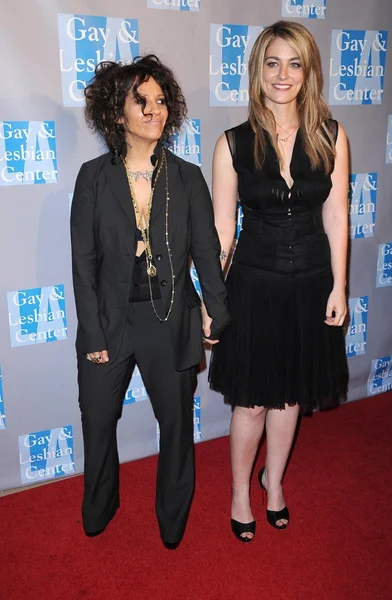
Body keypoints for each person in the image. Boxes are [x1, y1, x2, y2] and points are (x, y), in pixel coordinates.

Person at [70, 55, 229, 549]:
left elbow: (206, 250)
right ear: (116, 114)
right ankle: (100, 504)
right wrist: (93, 334)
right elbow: (83, 262)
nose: (153, 110)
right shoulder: (93, 177)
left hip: (169, 318)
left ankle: (173, 517)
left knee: (177, 425)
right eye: (141, 101)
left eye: (161, 101)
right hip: (110, 322)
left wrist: (216, 309)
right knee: (97, 421)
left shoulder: (186, 177)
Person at [208, 21, 349, 542]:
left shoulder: (332, 135)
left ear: (308, 72)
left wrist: (339, 286)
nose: (282, 74)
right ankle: (240, 490)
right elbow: (224, 230)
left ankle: (275, 483)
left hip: (311, 282)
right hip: (254, 286)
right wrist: (212, 299)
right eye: (272, 63)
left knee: (289, 397)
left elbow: (337, 215)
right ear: (258, 72)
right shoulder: (233, 145)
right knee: (252, 400)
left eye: (294, 63)